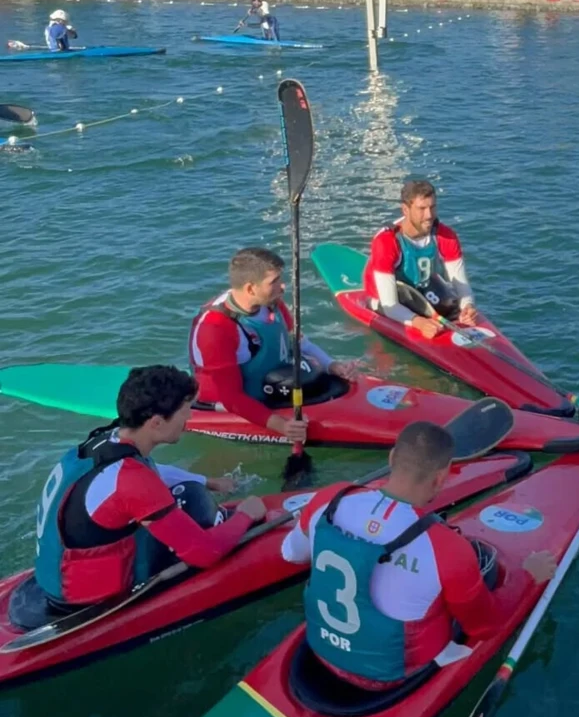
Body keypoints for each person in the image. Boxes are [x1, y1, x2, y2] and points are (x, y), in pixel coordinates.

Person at [282, 421, 557, 689]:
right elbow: (485, 627)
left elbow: (292, 555)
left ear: (392, 457)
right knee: (482, 573)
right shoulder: (447, 548)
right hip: (392, 676)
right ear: (441, 477)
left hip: (321, 647)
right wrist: (527, 577)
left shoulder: (330, 499)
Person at [33, 365, 266, 609]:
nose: (189, 420)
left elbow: (150, 471)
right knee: (198, 511)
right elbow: (206, 553)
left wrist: (208, 481)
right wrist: (246, 515)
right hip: (86, 598)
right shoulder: (132, 480)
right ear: (156, 422)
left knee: (189, 491)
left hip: (54, 577)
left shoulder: (104, 440)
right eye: (185, 412)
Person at [190, 247, 353, 442]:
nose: (282, 287)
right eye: (274, 282)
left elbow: (299, 342)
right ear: (251, 288)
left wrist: (331, 365)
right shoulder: (215, 329)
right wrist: (282, 426)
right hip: (232, 404)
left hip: (276, 382)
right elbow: (232, 398)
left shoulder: (271, 302)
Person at [364, 179, 478, 336]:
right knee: (399, 304)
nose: (429, 215)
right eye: (421, 208)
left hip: (421, 291)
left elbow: (463, 288)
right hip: (387, 298)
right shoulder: (387, 241)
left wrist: (467, 307)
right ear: (405, 209)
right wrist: (418, 322)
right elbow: (390, 304)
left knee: (453, 303)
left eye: (432, 207)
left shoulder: (446, 236)